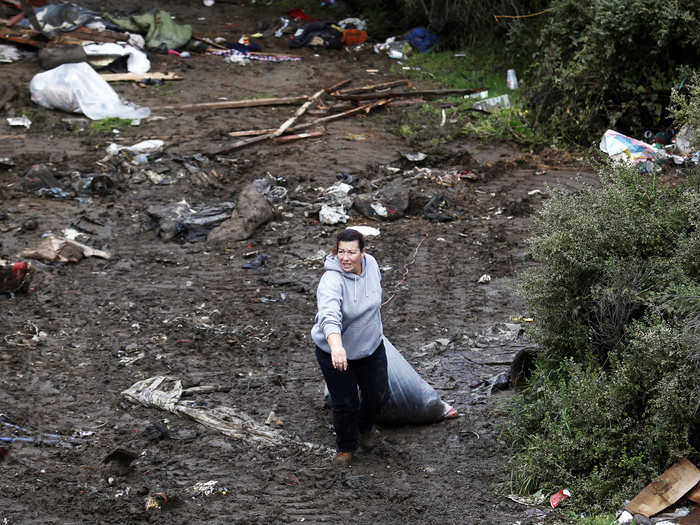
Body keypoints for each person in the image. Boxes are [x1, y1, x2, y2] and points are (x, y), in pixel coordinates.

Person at [311, 228, 390, 467]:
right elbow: (329, 315)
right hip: (336, 353)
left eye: (351, 252)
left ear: (362, 253)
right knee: (345, 403)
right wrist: (336, 347)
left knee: (378, 394)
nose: (345, 258)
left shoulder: (372, 265)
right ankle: (345, 447)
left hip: (370, 347)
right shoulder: (331, 280)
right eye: (341, 252)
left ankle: (366, 429)